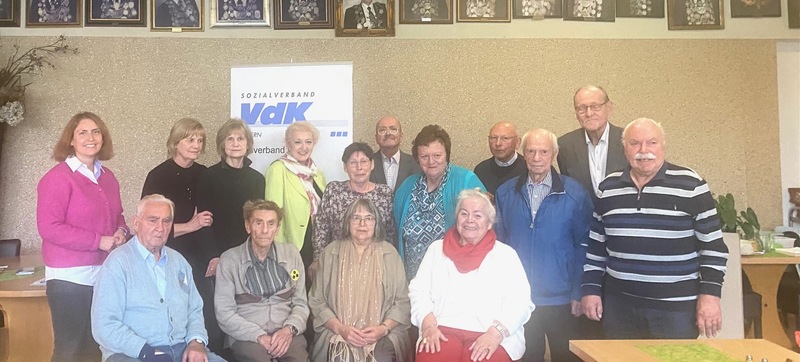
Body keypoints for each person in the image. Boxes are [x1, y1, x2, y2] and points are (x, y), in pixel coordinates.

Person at [582, 118, 729, 339]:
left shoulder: (692, 185)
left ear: (663, 146)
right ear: (624, 149)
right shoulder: (608, 188)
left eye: (652, 143)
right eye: (635, 143)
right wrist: (591, 289)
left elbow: (714, 249)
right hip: (620, 308)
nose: (643, 151)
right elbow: (596, 247)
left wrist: (710, 296)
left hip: (675, 311)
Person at [494, 129, 593, 362]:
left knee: (566, 357)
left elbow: (585, 245)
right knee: (527, 357)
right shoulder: (506, 193)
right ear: (523, 153)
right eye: (531, 151)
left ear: (554, 154)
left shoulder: (575, 194)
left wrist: (580, 290)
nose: (537, 158)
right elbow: (499, 246)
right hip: (521, 298)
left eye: (543, 152)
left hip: (562, 298)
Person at [36, 111, 128, 362]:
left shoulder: (108, 177)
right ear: (71, 141)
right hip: (69, 280)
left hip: (103, 276)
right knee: (70, 349)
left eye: (96, 131)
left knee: (94, 347)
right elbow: (49, 227)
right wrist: (98, 240)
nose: (91, 137)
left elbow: (118, 216)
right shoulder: (57, 178)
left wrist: (122, 231)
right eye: (83, 132)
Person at [91, 194, 226, 362]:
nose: (160, 228)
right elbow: (104, 325)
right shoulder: (117, 264)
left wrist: (196, 342)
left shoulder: (179, 262)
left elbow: (195, 310)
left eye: (166, 221)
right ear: (136, 223)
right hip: (131, 354)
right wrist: (144, 351)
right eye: (153, 220)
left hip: (181, 350)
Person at [409, 189, 534, 362]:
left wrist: (495, 334)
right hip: (441, 328)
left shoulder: (506, 255)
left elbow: (520, 302)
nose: (470, 220)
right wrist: (428, 325)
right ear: (457, 217)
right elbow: (418, 291)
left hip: (490, 331)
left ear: (489, 223)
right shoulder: (436, 249)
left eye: (478, 215)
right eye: (464, 213)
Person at [142, 117, 217, 356]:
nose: (195, 145)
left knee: (204, 312)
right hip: (168, 255)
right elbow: (149, 226)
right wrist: (189, 225)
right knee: (175, 312)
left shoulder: (204, 174)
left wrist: (213, 255)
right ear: (176, 142)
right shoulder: (158, 175)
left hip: (200, 255)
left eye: (200, 140)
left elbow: (210, 220)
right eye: (190, 139)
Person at [309, 199, 412, 362]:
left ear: (376, 223)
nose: (362, 223)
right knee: (341, 357)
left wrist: (383, 329)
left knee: (381, 357)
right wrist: (341, 329)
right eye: (356, 218)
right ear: (347, 222)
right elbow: (317, 301)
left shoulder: (390, 254)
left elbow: (402, 302)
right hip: (338, 333)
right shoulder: (331, 253)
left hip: (382, 334)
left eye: (369, 218)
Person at [196, 118, 266, 352]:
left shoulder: (257, 178)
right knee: (219, 315)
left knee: (246, 311)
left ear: (248, 144)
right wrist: (213, 256)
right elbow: (204, 222)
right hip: (220, 256)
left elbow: (258, 222)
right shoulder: (208, 176)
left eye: (240, 138)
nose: (236, 143)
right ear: (222, 144)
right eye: (230, 138)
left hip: (248, 256)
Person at [215, 200, 309, 362]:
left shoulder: (292, 254)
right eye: (259, 223)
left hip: (286, 333)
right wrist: (258, 336)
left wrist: (288, 330)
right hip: (247, 336)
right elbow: (224, 312)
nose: (265, 230)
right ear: (247, 226)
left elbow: (301, 303)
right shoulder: (229, 259)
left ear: (277, 228)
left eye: (271, 224)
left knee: (298, 358)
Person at [394, 124, 485, 280]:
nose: (431, 161)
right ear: (417, 158)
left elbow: (483, 227)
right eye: (424, 156)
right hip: (414, 281)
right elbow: (397, 229)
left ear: (446, 155)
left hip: (454, 280)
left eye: (437, 155)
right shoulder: (407, 187)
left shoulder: (466, 180)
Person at [313, 142, 396, 276]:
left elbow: (390, 232)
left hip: (376, 262)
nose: (359, 168)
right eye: (353, 163)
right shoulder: (334, 190)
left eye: (363, 161)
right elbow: (321, 228)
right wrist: (317, 258)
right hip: (337, 261)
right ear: (345, 167)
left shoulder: (384, 193)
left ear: (372, 164)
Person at [264, 121, 326, 270]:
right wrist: (277, 252)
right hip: (293, 245)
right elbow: (273, 214)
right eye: (298, 142)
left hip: (318, 245)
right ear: (288, 144)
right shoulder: (278, 169)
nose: (304, 147)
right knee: (295, 289)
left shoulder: (317, 173)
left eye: (308, 142)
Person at [557, 85, 628, 200]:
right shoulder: (565, 146)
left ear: (609, 107)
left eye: (595, 107)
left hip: (620, 216)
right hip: (583, 216)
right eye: (582, 108)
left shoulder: (629, 140)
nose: (589, 113)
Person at [473, 121, 526, 197]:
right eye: (493, 138)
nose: (498, 143)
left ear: (517, 142)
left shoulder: (528, 169)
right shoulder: (481, 170)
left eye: (505, 138)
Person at [369, 116, 421, 191]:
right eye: (382, 130)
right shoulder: (367, 163)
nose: (388, 133)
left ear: (401, 136)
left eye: (393, 129)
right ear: (376, 138)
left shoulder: (415, 163)